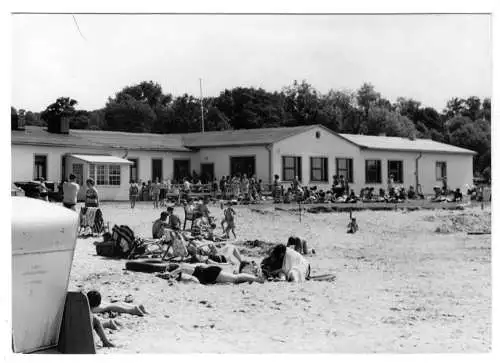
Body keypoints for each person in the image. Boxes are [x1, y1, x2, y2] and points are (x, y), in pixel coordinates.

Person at [168, 263, 264, 285]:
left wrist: (171, 274)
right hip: (211, 272)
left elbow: (182, 268)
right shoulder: (189, 266)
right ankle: (252, 278)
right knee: (235, 278)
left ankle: (256, 279)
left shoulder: (185, 268)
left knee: (235, 278)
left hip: (211, 274)